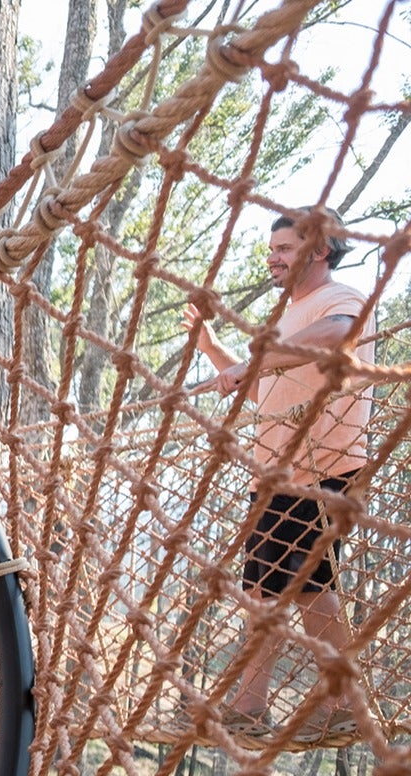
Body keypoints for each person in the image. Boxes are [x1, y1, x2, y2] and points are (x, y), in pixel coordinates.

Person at [183, 208, 375, 742]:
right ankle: (249, 706)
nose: (273, 258)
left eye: (285, 249)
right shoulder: (287, 317)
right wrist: (212, 348)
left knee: (310, 582)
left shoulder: (340, 299)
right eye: (272, 250)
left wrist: (259, 357)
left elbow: (339, 334)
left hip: (322, 464)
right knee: (262, 593)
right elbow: (262, 385)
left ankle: (343, 704)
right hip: (275, 471)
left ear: (318, 251)